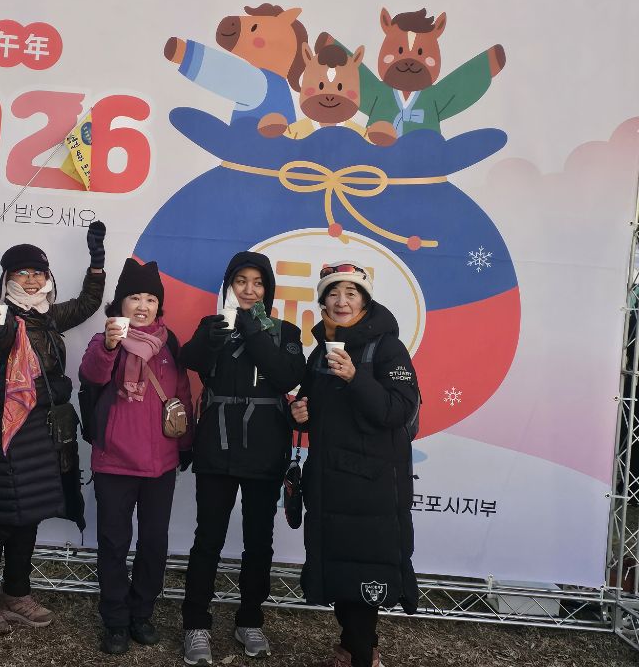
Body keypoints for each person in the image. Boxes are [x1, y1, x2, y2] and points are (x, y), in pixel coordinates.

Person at [0, 222, 106, 634]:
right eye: (22, 273)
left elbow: (89, 303)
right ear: (7, 279)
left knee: (31, 514)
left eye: (38, 273)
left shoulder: (49, 316)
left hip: (46, 428)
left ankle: (17, 591)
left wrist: (97, 261)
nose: (31, 280)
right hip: (11, 428)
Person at [290, 261, 419, 667]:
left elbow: (398, 410)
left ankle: (361, 656)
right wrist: (300, 413)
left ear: (365, 301)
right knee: (342, 574)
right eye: (333, 293)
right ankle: (354, 650)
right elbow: (315, 408)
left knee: (364, 573)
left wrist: (355, 377)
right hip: (328, 483)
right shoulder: (320, 350)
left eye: (350, 293)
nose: (341, 301)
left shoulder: (387, 348)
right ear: (322, 301)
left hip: (370, 486)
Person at [179, 251, 305, 666]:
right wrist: (212, 338)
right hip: (216, 444)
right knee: (208, 537)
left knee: (258, 541)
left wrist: (253, 328)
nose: (249, 290)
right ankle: (195, 624)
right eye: (241, 281)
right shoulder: (213, 324)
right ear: (229, 285)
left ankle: (250, 620)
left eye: (258, 282)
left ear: (268, 289)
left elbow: (286, 376)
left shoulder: (285, 331)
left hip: (265, 447)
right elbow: (191, 362)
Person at [79, 258, 194, 655]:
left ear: (158, 305)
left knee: (153, 543)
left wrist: (185, 444)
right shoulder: (105, 340)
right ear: (120, 303)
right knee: (113, 542)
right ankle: (115, 619)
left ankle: (141, 613)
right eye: (134, 298)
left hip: (160, 463)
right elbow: (92, 375)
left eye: (150, 299)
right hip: (114, 460)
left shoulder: (169, 343)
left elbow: (181, 397)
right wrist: (110, 345)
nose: (143, 306)